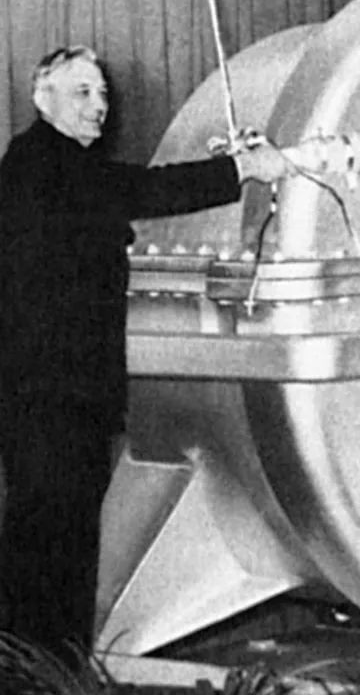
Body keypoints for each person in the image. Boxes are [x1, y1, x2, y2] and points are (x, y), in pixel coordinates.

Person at [0, 45, 292, 659]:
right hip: (50, 396)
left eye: (102, 94)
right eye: (82, 93)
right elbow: (148, 189)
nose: (98, 106)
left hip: (57, 394)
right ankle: (44, 670)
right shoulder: (43, 166)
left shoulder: (53, 169)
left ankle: (43, 666)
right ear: (42, 99)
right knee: (53, 545)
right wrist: (244, 167)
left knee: (55, 542)